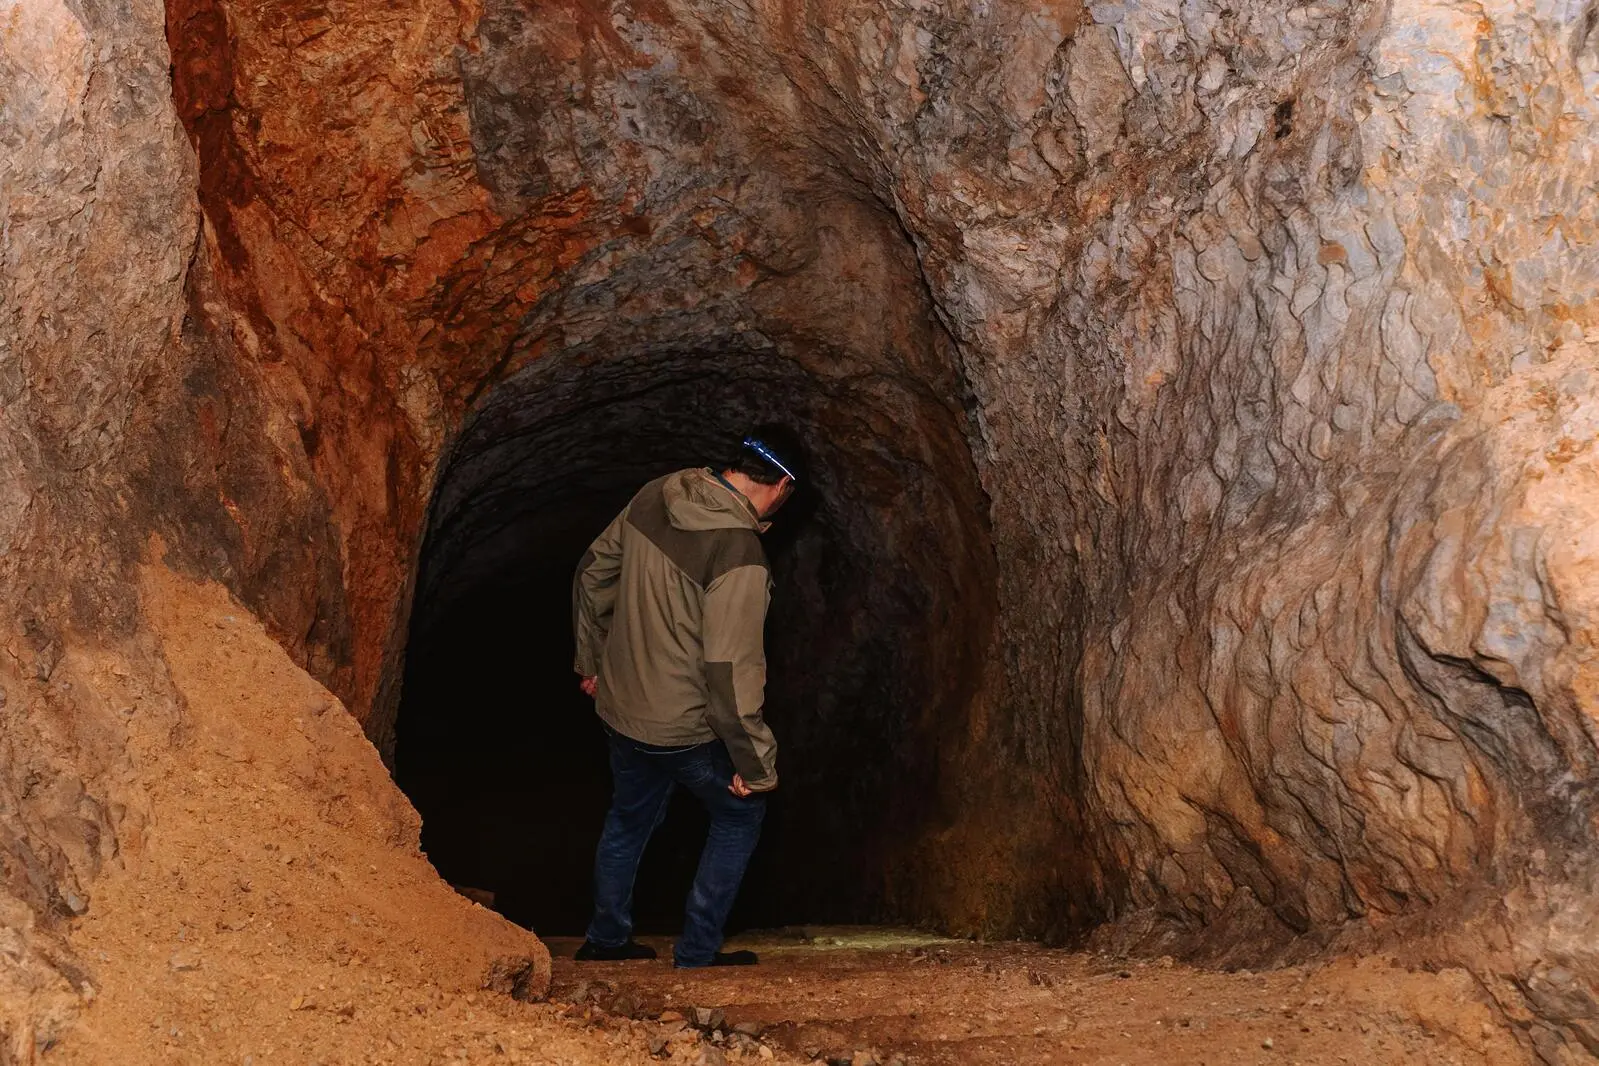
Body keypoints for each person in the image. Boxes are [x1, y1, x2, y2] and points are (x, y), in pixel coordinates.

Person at [569, 429, 804, 967]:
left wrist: (592, 661)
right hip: (683, 728)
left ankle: (606, 940)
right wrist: (754, 764)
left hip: (622, 710)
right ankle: (697, 951)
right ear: (782, 486)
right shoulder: (739, 552)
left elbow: (593, 574)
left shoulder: (659, 492)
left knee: (628, 819)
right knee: (740, 815)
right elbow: (729, 671)